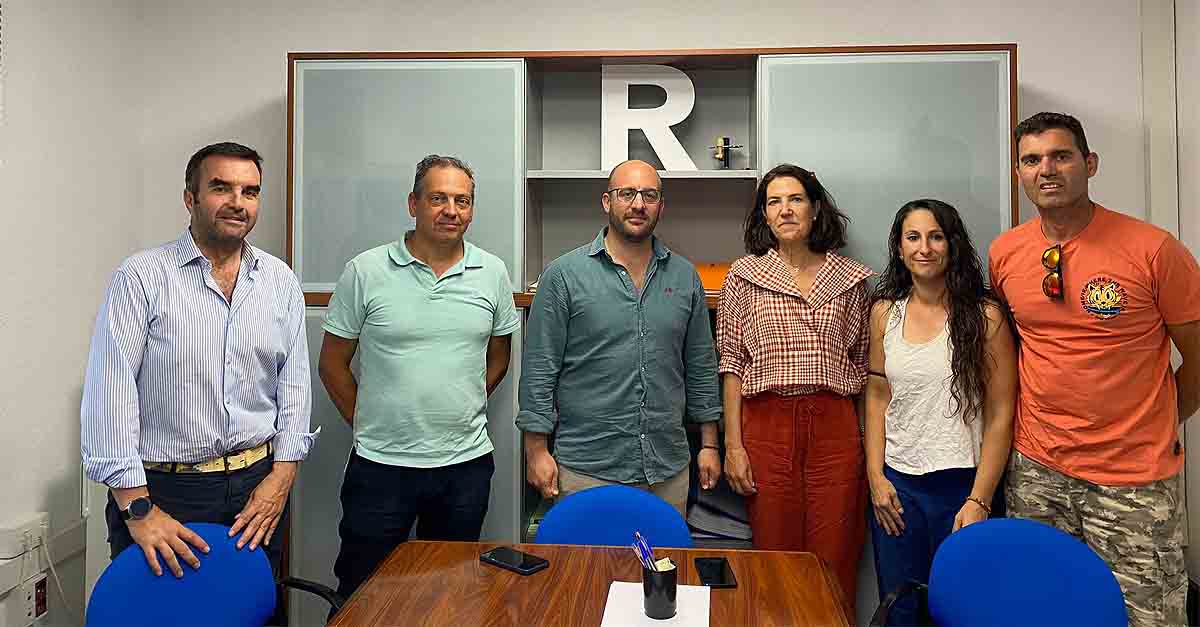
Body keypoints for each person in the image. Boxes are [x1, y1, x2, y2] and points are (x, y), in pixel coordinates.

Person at [989, 112, 1200, 627]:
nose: (1047, 170)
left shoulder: (1153, 250)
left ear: (1090, 163)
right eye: (1031, 160)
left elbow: (1198, 353)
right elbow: (1013, 352)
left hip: (1134, 478)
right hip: (1038, 471)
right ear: (1019, 172)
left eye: (1061, 156)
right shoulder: (1005, 253)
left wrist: (1164, 419)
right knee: (1043, 611)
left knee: (1148, 617)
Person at [81, 142, 316, 580]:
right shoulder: (142, 277)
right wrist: (138, 508)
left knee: (252, 611)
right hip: (166, 493)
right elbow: (109, 394)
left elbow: (295, 386)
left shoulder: (279, 281)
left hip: (257, 490)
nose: (237, 203)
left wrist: (280, 479)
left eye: (250, 191)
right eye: (221, 188)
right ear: (190, 198)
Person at [320, 154, 520, 599]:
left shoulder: (492, 272)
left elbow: (500, 356)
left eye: (462, 201)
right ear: (413, 203)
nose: (452, 210)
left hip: (464, 469)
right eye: (438, 198)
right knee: (363, 592)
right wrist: (369, 420)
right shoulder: (365, 270)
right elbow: (332, 364)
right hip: (380, 468)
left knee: (450, 593)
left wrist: (463, 400)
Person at [517, 159, 722, 517]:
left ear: (661, 205)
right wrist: (535, 450)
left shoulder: (685, 277)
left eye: (649, 195)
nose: (638, 204)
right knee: (585, 573)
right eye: (626, 193)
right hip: (586, 470)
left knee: (661, 570)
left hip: (667, 472)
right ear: (606, 202)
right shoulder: (564, 276)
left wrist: (709, 444)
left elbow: (701, 367)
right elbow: (539, 370)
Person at [716, 164, 869, 621]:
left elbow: (862, 364)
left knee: (835, 552)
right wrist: (733, 445)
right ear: (764, 215)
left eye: (796, 199)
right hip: (765, 424)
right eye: (774, 202)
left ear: (816, 207)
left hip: (835, 426)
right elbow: (730, 364)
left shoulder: (852, 280)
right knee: (774, 552)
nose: (785, 210)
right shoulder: (744, 276)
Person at [864, 199, 1016, 626]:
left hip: (963, 486)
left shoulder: (985, 316)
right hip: (897, 489)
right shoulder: (883, 313)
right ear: (898, 247)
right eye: (913, 237)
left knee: (961, 610)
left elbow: (1002, 413)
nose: (924, 248)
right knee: (901, 608)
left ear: (951, 245)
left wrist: (980, 500)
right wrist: (876, 478)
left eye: (935, 236)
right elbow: (877, 396)